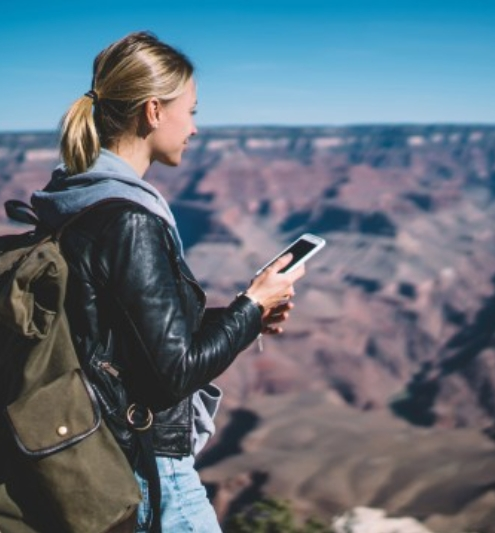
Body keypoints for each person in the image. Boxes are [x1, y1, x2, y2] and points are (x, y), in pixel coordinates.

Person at [29, 31, 305, 532]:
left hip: (94, 453)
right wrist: (250, 303)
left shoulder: (74, 200)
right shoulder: (129, 219)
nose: (195, 129)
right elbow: (172, 373)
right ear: (154, 111)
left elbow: (127, 333)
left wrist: (248, 317)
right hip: (150, 469)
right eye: (192, 111)